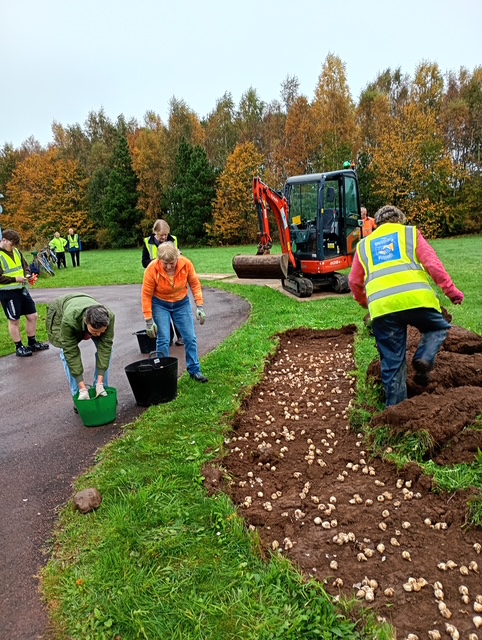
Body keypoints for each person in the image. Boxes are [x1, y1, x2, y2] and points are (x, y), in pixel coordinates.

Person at [348, 204, 464, 407]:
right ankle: (424, 357)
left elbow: (354, 281)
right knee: (438, 328)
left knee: (392, 362)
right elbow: (433, 265)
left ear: (377, 223)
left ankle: (396, 411)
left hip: (383, 309)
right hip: (417, 300)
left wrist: (365, 303)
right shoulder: (410, 233)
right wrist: (452, 292)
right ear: (399, 220)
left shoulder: (364, 245)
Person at [142, 242, 208, 383]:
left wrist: (200, 306)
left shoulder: (186, 264)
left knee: (190, 337)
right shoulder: (152, 269)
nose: (169, 267)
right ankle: (163, 373)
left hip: (181, 303)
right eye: (165, 263)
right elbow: (146, 295)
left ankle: (195, 370)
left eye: (172, 263)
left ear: (177, 258)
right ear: (159, 259)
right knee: (164, 339)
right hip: (160, 304)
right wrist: (149, 320)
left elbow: (195, 284)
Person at [46, 294, 114, 408]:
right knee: (66, 354)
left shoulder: (109, 317)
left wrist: (100, 382)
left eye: (101, 331)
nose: (98, 335)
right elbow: (71, 353)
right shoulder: (69, 321)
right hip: (62, 311)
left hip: (84, 304)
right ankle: (79, 395)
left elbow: (105, 348)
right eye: (94, 331)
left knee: (108, 351)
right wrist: (82, 387)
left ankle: (101, 389)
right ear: (86, 322)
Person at [0, 229, 49, 357]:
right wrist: (15, 279)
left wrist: (28, 274)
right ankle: (19, 347)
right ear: (4, 240)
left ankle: (32, 343)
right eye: (11, 244)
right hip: (7, 292)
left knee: (33, 316)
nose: (13, 247)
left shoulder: (16, 251)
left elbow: (25, 266)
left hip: (22, 289)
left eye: (15, 245)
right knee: (14, 320)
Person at [142, 219, 183, 346]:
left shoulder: (173, 240)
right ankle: (167, 338)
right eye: (161, 235)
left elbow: (179, 258)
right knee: (162, 311)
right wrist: (157, 263)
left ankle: (180, 336)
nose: (164, 237)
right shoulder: (148, 242)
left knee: (176, 309)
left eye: (166, 235)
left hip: (172, 279)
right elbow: (144, 261)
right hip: (156, 280)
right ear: (155, 232)